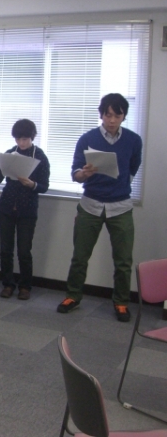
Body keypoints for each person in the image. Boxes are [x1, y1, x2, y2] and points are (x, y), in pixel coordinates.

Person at [57, 93, 142, 322]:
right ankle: (73, 296)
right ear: (101, 114)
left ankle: (121, 302)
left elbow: (133, 167)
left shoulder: (134, 140)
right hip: (90, 204)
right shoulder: (87, 138)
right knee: (80, 256)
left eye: (117, 115)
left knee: (123, 260)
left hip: (121, 206)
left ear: (124, 116)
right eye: (108, 115)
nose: (112, 120)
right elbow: (75, 173)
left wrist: (121, 183)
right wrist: (84, 174)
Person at [0, 119, 50, 300]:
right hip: (6, 207)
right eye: (18, 139)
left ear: (32, 137)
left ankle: (25, 286)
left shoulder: (40, 156)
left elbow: (44, 186)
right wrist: (2, 165)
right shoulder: (10, 153)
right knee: (5, 249)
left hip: (27, 209)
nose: (21, 143)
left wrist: (32, 184)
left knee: (24, 251)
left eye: (25, 139)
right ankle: (8, 284)